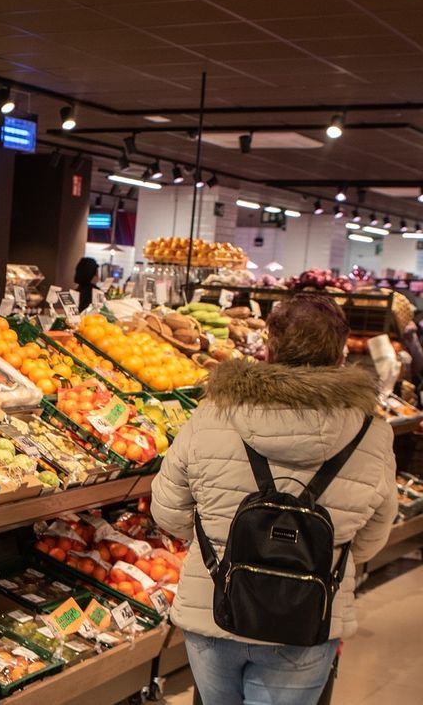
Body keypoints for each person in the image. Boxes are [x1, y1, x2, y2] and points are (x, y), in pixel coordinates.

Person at [151, 295, 396, 705]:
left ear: (269, 345)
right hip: (308, 615)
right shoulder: (371, 433)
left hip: (214, 603)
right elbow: (372, 537)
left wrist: (217, 547)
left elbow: (167, 508)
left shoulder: (213, 414)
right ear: (340, 352)